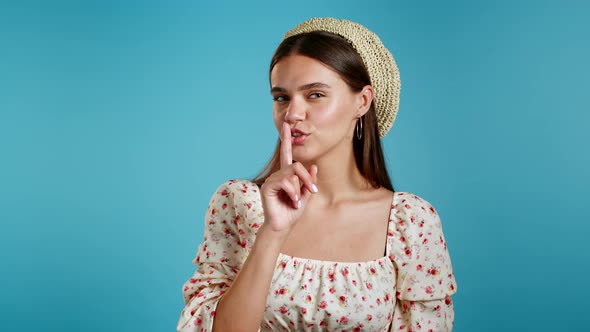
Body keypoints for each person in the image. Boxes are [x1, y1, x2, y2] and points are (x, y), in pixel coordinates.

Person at [177, 17, 457, 332]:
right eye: (281, 97)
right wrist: (272, 232)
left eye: (315, 95)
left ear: (362, 101)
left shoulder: (411, 221)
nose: (292, 113)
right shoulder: (238, 203)